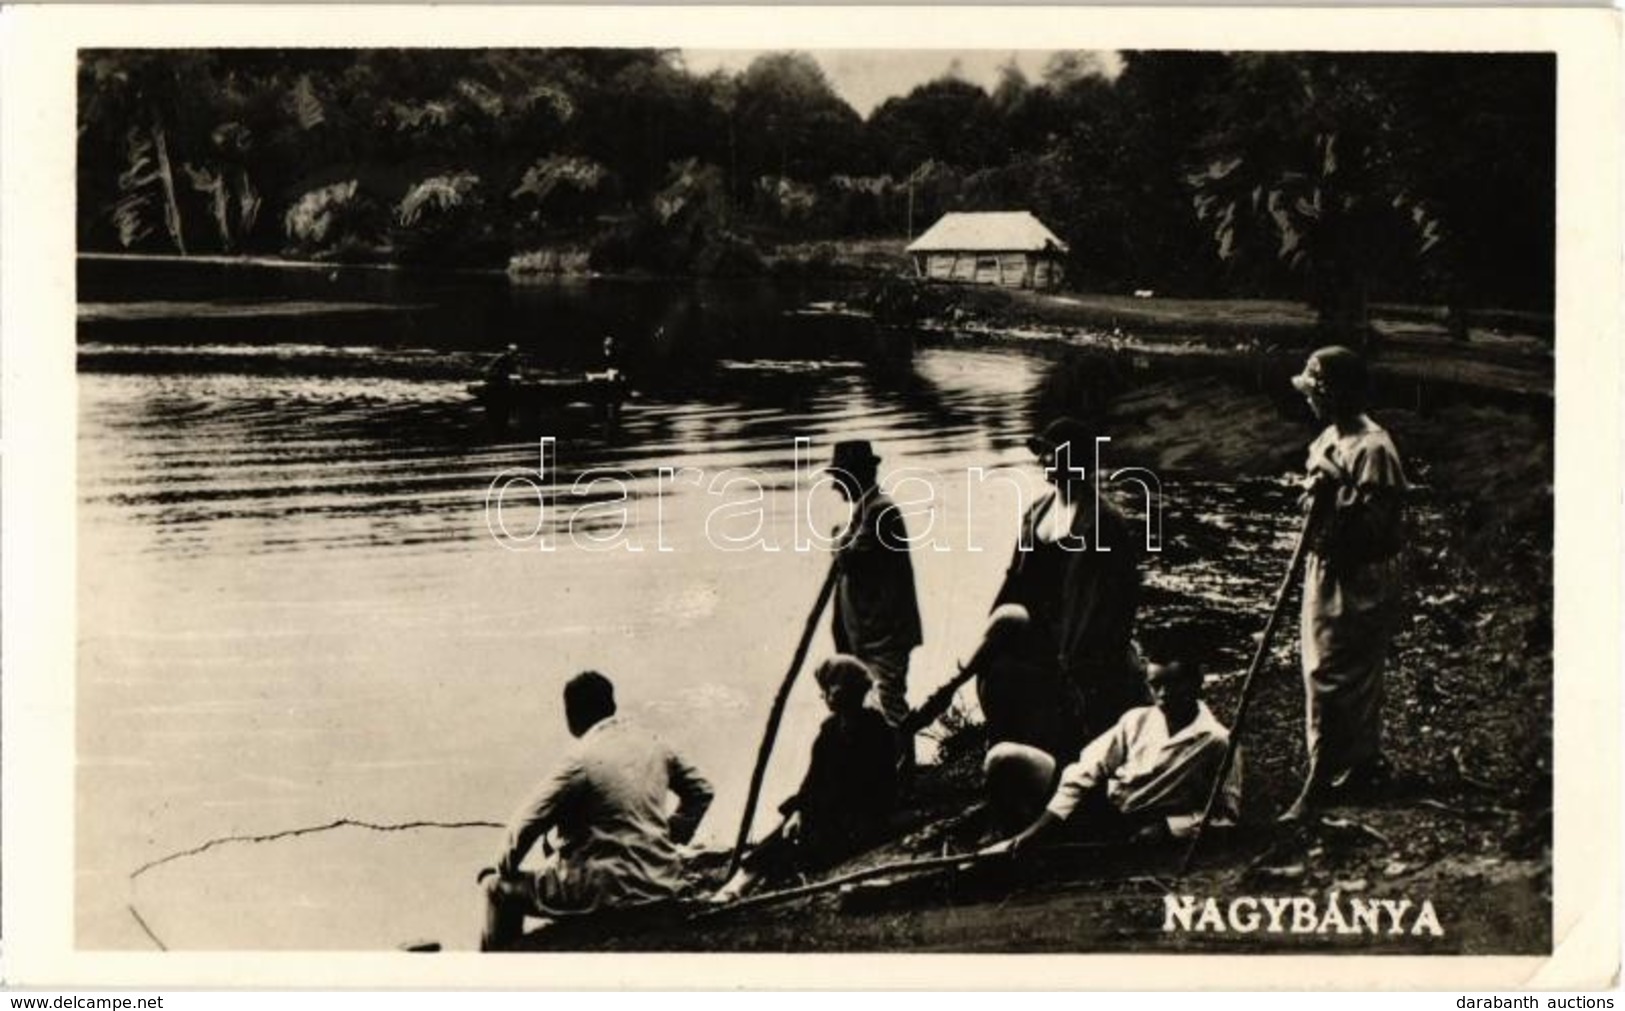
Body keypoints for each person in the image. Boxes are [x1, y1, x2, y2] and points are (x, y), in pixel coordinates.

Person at [477, 671, 714, 950]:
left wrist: (503, 867)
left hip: (604, 893)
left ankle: (495, 972)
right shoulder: (655, 743)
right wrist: (670, 836)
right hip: (659, 882)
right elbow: (701, 791)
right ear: (611, 705)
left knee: (494, 888)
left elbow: (526, 824)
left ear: (571, 716)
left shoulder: (580, 759)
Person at [1281, 345, 1408, 821]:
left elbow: (1381, 528)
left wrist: (1335, 489)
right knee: (1321, 667)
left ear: (1335, 394)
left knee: (1336, 672)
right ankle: (1356, 763)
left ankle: (1324, 779)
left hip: (1358, 574)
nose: (1309, 401)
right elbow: (1318, 500)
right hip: (1326, 565)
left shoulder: (1373, 448)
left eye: (1315, 392)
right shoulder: (1330, 436)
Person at [977, 416, 1146, 764]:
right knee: (1000, 682)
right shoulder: (1035, 513)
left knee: (1076, 730)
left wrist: (1092, 652)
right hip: (1034, 636)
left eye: (1053, 454)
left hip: (1081, 642)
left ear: (1077, 460)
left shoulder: (1103, 522)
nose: (1043, 462)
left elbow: (1120, 597)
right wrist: (993, 632)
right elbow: (1015, 580)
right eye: (1042, 453)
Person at [982, 658, 1241, 855]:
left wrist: (1170, 827)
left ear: (1196, 684)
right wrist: (1031, 834)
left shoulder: (1217, 741)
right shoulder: (1136, 719)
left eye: (1173, 685)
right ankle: (1013, 839)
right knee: (1004, 757)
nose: (1162, 695)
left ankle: (1027, 847)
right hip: (1101, 804)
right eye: (1155, 685)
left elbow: (1226, 817)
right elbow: (1084, 771)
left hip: (1139, 824)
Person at [712, 655, 898, 902]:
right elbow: (813, 779)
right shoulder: (831, 729)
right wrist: (799, 811)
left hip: (859, 820)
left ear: (840, 691)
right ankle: (737, 886)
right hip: (832, 814)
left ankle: (736, 888)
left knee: (787, 844)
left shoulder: (874, 730)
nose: (824, 697)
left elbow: (866, 789)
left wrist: (809, 810)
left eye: (826, 690)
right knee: (787, 835)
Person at [826, 440, 923, 769]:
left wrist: (836, 538)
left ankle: (904, 774)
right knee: (874, 705)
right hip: (867, 635)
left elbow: (850, 557)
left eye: (839, 476)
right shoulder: (863, 512)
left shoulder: (881, 511)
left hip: (885, 635)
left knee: (888, 703)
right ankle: (889, 773)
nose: (834, 485)